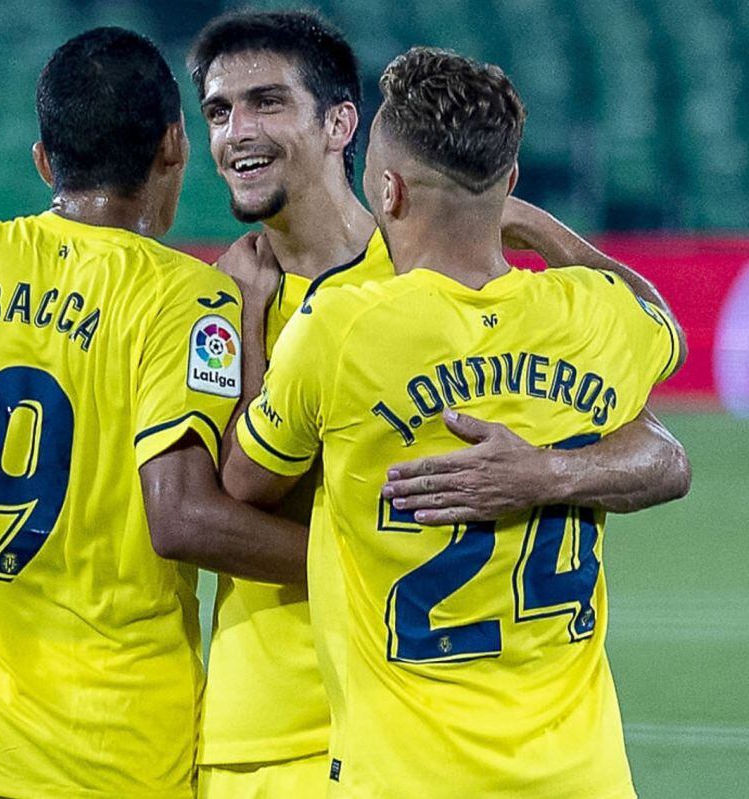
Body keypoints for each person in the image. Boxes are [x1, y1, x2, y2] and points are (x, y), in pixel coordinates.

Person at [0, 11, 691, 797]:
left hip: (417, 739)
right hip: (254, 738)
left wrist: (545, 472)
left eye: (266, 103)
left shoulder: (436, 287)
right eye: (216, 111)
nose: (236, 132)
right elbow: (173, 486)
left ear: (340, 125)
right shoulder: (206, 300)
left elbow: (660, 452)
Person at [0, 27, 306, 799]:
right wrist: (353, 557)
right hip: (122, 756)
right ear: (173, 147)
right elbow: (193, 507)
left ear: (45, 161)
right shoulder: (190, 299)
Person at [222, 46, 684, 798]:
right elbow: (659, 320)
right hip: (579, 776)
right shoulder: (588, 317)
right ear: (507, 183)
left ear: (389, 189)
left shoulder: (342, 329)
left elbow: (243, 481)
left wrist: (247, 316)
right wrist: (547, 234)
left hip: (406, 775)